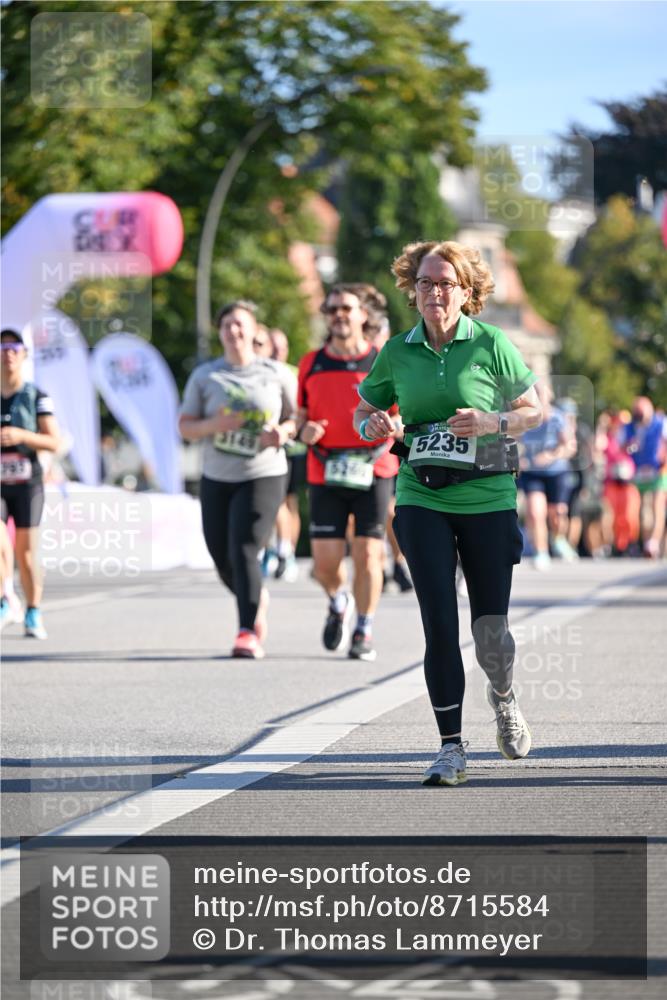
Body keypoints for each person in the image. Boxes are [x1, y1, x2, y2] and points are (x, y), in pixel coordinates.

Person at [353, 241, 542, 786]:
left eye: (447, 283)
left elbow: (534, 411)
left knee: (490, 632)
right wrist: (375, 426)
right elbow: (366, 409)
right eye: (427, 283)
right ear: (412, 289)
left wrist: (490, 422)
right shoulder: (397, 350)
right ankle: (450, 747)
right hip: (421, 493)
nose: (436, 292)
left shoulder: (490, 343)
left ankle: (503, 696)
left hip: (486, 495)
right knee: (439, 622)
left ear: (467, 291)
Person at [178, 301, 297, 659]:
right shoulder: (205, 377)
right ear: (220, 332)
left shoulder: (276, 373)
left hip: (263, 473)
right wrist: (216, 425)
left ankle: (247, 630)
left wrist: (284, 432)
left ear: (254, 329)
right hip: (217, 475)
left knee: (244, 546)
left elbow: (297, 420)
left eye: (240, 324)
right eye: (227, 325)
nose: (234, 331)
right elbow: (185, 426)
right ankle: (254, 595)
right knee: (220, 554)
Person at [296, 284, 400, 661]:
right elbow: (300, 415)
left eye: (346, 308)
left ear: (363, 316)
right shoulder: (311, 363)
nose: (339, 314)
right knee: (323, 565)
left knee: (369, 555)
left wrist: (391, 425)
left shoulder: (381, 360)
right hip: (325, 468)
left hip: (374, 466)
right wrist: (302, 430)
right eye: (332, 309)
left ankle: (364, 628)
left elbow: (401, 411)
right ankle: (339, 600)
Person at [1, 328, 60, 638]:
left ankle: (33, 611)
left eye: (14, 347)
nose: (7, 353)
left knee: (25, 553)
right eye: (2, 347)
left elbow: (55, 441)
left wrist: (22, 436)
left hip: (27, 482)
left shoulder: (37, 396)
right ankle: (5, 599)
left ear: (23, 355)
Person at [517, 383, 577, 570]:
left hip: (556, 472)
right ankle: (541, 552)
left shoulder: (558, 418)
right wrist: (518, 460)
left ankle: (558, 538)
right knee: (535, 512)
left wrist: (550, 455)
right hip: (532, 474)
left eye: (540, 394)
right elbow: (511, 441)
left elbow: (570, 447)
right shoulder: (523, 418)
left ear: (548, 396)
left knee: (558, 513)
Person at [621, 396, 666, 559]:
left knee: (657, 507)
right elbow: (622, 447)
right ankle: (648, 544)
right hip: (639, 473)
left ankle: (653, 542)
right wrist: (629, 446)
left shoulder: (661, 423)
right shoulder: (630, 427)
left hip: (658, 471)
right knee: (643, 510)